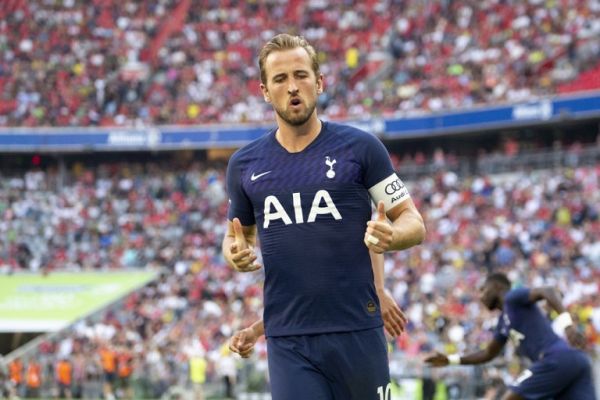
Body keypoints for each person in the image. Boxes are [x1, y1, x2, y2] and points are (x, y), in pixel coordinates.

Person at [222, 33, 425, 400]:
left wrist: (392, 237)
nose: (292, 86)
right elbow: (237, 237)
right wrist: (234, 254)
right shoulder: (244, 165)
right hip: (289, 340)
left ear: (319, 83)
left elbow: (412, 221)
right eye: (280, 79)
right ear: (265, 92)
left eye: (301, 75)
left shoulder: (361, 148)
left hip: (357, 329)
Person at [424, 272, 596, 400]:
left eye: (483, 290)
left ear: (497, 287)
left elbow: (547, 290)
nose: (480, 296)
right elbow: (488, 353)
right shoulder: (503, 322)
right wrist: (451, 360)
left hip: (555, 359)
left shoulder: (512, 298)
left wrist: (567, 325)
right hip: (575, 362)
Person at [229, 251, 407, 358]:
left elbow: (372, 237)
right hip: (307, 348)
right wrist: (255, 330)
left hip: (354, 340)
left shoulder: (347, 205)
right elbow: (300, 303)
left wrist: (379, 289)